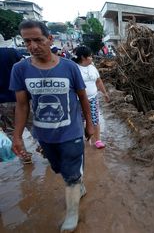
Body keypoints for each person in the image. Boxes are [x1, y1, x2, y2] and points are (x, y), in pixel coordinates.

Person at [9, 20, 94, 232]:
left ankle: (72, 214)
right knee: (59, 169)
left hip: (71, 131)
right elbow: (21, 105)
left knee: (71, 175)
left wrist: (89, 124)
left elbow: (83, 98)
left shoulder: (69, 67)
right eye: (27, 41)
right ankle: (77, 183)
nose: (32, 46)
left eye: (37, 40)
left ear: (50, 39)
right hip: (44, 134)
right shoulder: (20, 69)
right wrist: (17, 136)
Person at [72, 46, 110, 149]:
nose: (92, 58)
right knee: (79, 120)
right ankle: (80, 139)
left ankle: (97, 140)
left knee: (95, 119)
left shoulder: (92, 67)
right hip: (78, 100)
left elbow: (98, 81)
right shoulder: (74, 68)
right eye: (90, 56)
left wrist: (105, 93)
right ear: (83, 57)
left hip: (93, 98)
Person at [0, 47, 33, 163]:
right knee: (34, 125)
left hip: (3, 101)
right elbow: (26, 66)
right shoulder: (12, 52)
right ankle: (46, 149)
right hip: (23, 97)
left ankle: (24, 157)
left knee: (10, 130)